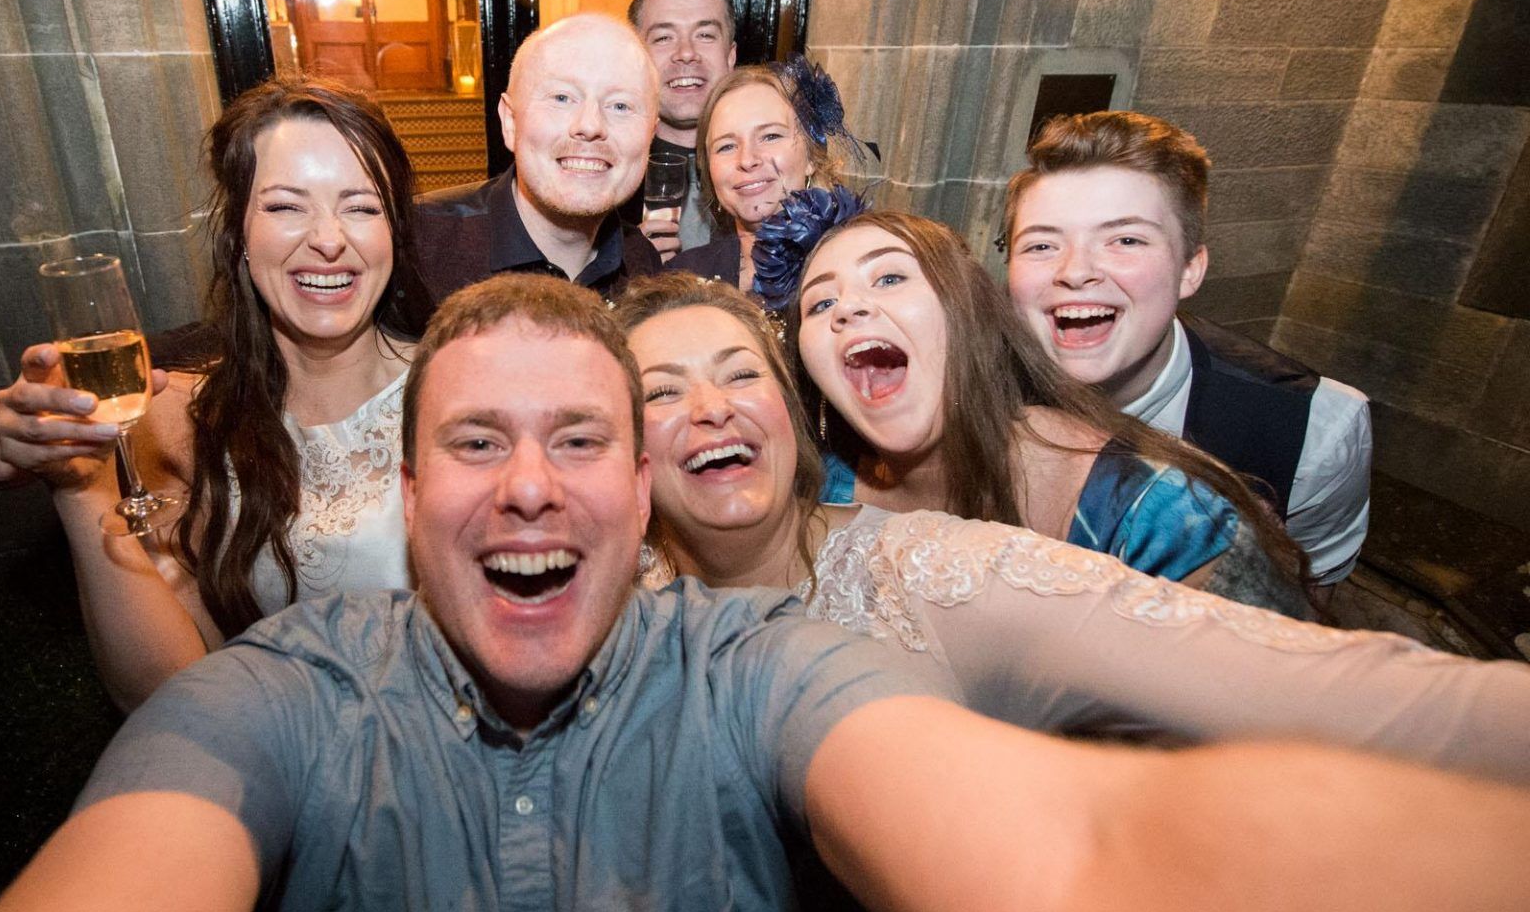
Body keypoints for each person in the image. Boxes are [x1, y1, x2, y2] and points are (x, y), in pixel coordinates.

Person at [0, 274, 1530, 912]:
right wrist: (85, 467)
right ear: (399, 493)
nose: (529, 481)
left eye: (580, 436)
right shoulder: (280, 696)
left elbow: (1096, 864)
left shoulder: (765, 657)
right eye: (477, 442)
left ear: (639, 486)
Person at [615, 272, 1530, 778]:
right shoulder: (609, 596)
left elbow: (1309, 685)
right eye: (660, 391)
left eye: (741, 375)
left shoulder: (929, 565)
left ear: (791, 412)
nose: (708, 407)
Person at [0, 79, 430, 712]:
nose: (327, 238)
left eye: (362, 206)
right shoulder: (188, 419)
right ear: (237, 232)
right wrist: (79, 485)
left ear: (395, 233)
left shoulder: (456, 392)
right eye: (286, 206)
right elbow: (168, 696)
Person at [757, 191, 1311, 616]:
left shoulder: (1163, 522)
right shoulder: (817, 486)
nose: (848, 308)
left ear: (967, 311)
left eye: (890, 277)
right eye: (821, 301)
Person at [1004, 110, 1372, 589]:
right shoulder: (957, 386)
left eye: (1125, 239)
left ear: (1190, 269)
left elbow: (1306, 596)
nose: (1075, 271)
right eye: (1041, 246)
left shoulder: (1312, 429)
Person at [413, 13, 663, 302]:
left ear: (650, 134)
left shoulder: (643, 268)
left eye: (620, 105)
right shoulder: (418, 248)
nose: (591, 125)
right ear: (510, 122)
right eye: (562, 98)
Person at [666, 58, 844, 291]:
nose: (748, 160)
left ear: (811, 156)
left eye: (770, 136)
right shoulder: (682, 279)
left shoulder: (851, 262)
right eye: (726, 146)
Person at [625, 0, 740, 260]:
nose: (686, 53)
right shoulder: (605, 178)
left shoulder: (765, 171)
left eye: (705, 35)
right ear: (636, 59)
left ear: (731, 56)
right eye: (664, 38)